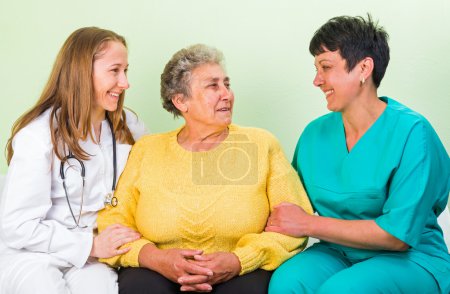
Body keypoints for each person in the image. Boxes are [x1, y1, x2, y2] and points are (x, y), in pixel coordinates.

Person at [97, 44, 313, 293]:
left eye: (227, 85)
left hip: (239, 271)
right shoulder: (147, 149)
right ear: (181, 101)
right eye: (213, 86)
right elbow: (114, 221)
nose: (226, 94)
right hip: (157, 270)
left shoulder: (261, 144)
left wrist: (239, 260)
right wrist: (155, 258)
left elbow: (295, 227)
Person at [266, 15, 450, 293]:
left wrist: (309, 224)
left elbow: (396, 236)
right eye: (316, 68)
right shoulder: (315, 134)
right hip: (336, 253)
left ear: (364, 67)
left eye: (325, 67)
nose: (317, 80)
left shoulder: (413, 133)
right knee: (286, 281)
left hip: (409, 258)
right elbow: (291, 204)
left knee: (343, 290)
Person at [0, 27, 147, 294]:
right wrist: (90, 246)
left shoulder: (130, 128)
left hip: (93, 256)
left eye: (126, 71)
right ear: (82, 72)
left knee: (101, 289)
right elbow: (18, 227)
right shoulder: (38, 136)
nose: (125, 83)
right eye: (114, 71)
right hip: (33, 254)